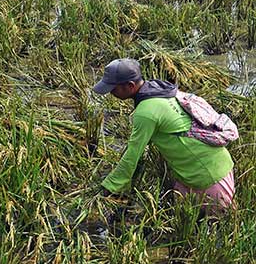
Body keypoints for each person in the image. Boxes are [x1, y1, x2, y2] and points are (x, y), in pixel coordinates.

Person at [92, 58, 235, 211]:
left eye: (113, 89)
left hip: (207, 175)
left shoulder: (146, 112)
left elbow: (133, 155)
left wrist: (107, 188)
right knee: (189, 224)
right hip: (211, 165)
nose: (111, 93)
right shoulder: (160, 90)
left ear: (130, 86)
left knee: (219, 226)